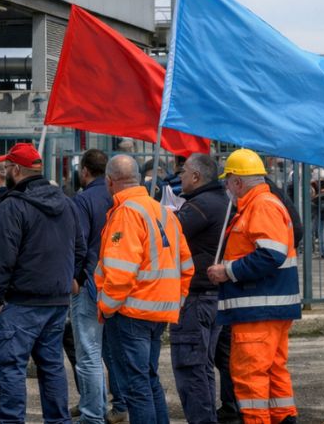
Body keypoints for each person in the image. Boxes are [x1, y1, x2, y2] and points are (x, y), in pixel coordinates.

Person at [0, 142, 84, 424]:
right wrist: (72, 279)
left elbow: (0, 256)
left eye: (6, 168)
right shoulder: (66, 202)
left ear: (16, 170)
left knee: (10, 366)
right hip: (56, 300)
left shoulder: (12, 206)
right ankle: (58, 420)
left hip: (20, 302)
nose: (4, 172)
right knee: (51, 365)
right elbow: (80, 246)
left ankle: (12, 420)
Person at [95, 155, 193, 424]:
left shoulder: (126, 213)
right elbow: (186, 265)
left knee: (135, 386)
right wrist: (176, 300)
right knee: (148, 380)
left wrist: (106, 306)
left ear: (109, 182)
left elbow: (119, 272)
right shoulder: (163, 212)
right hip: (159, 312)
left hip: (132, 311)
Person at [206, 150, 300, 424]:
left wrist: (227, 271)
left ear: (237, 181)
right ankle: (283, 418)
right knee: (272, 372)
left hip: (259, 309)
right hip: (267, 307)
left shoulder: (261, 205)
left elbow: (271, 254)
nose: (226, 187)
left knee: (250, 376)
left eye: (228, 181)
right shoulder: (260, 204)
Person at [168, 153, 231, 424]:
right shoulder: (223, 202)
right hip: (213, 296)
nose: (179, 177)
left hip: (196, 298)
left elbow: (168, 234)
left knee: (191, 366)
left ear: (196, 177)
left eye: (183, 172)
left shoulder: (201, 205)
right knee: (203, 365)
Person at [68, 149, 112, 424]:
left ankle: (93, 413)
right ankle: (102, 405)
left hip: (90, 282)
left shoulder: (83, 200)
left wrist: (75, 277)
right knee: (106, 352)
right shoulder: (116, 197)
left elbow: (79, 244)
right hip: (118, 283)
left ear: (85, 171)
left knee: (88, 353)